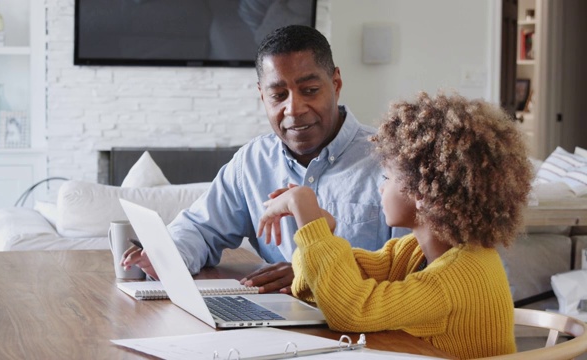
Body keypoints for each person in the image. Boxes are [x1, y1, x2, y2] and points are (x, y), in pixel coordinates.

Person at [122, 25, 404, 293]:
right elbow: (200, 228)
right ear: (262, 96)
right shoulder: (252, 162)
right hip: (275, 323)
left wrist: (312, 271)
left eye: (310, 90)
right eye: (278, 95)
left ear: (336, 83)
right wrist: (165, 257)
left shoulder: (392, 162)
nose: (294, 109)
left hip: (364, 329)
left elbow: (415, 267)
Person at [257, 92, 532, 359]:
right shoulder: (415, 250)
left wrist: (309, 217)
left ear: (421, 193)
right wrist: (323, 230)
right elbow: (320, 289)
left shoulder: (458, 277)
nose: (381, 187)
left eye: (387, 177)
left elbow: (352, 310)